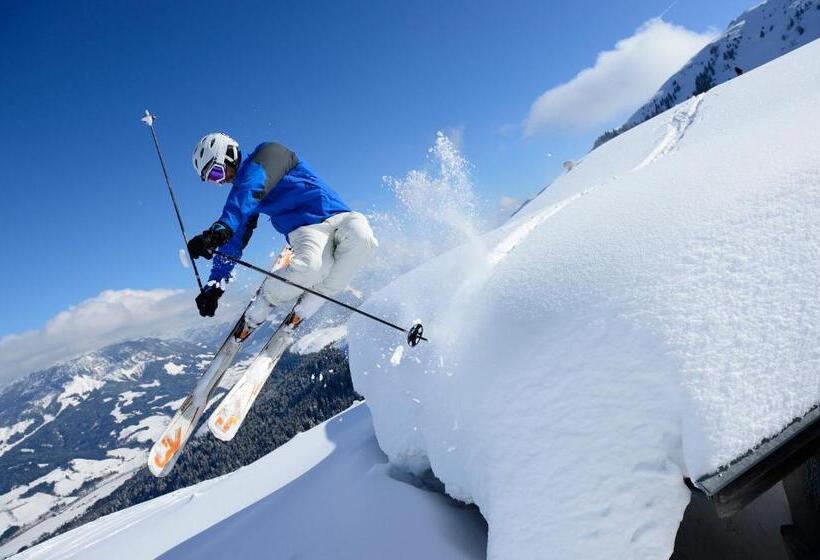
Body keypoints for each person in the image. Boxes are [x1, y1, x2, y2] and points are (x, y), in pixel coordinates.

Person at [187, 133, 378, 332]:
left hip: (339, 215)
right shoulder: (244, 199)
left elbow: (252, 185)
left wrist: (219, 230)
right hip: (306, 231)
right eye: (213, 180)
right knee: (312, 267)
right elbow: (234, 241)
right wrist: (215, 286)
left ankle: (315, 297)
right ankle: (268, 297)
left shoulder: (269, 153)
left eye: (217, 173)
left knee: (362, 236)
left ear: (229, 154)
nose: (222, 181)